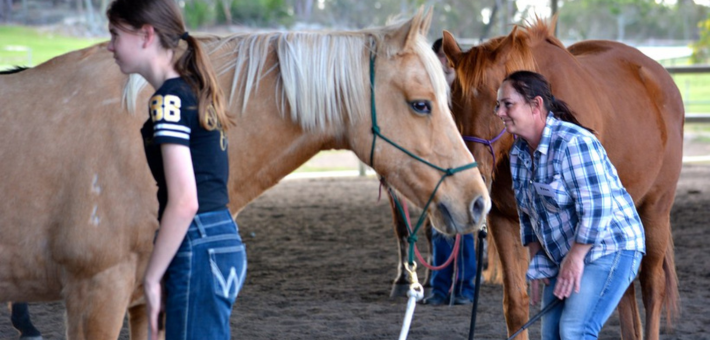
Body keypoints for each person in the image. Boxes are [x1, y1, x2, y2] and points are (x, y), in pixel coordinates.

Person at [106, 1, 246, 339]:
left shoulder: (168, 100)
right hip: (220, 239)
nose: (110, 46)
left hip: (198, 244)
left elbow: (185, 201)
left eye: (114, 34)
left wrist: (152, 278)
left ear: (146, 34)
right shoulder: (191, 91)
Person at [495, 70, 645, 339]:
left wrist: (576, 258)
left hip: (610, 246)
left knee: (574, 330)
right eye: (498, 105)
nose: (499, 112)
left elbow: (598, 207)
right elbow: (527, 213)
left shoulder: (573, 143)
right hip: (564, 254)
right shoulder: (518, 152)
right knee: (551, 334)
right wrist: (538, 259)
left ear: (536, 105)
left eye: (508, 104)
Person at [421, 38, 476, 306]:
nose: (446, 61)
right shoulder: (429, 93)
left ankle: (464, 288)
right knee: (440, 229)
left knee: (464, 229)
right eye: (441, 56)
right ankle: (440, 288)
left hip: (462, 170)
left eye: (448, 57)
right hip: (438, 169)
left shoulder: (467, 95)